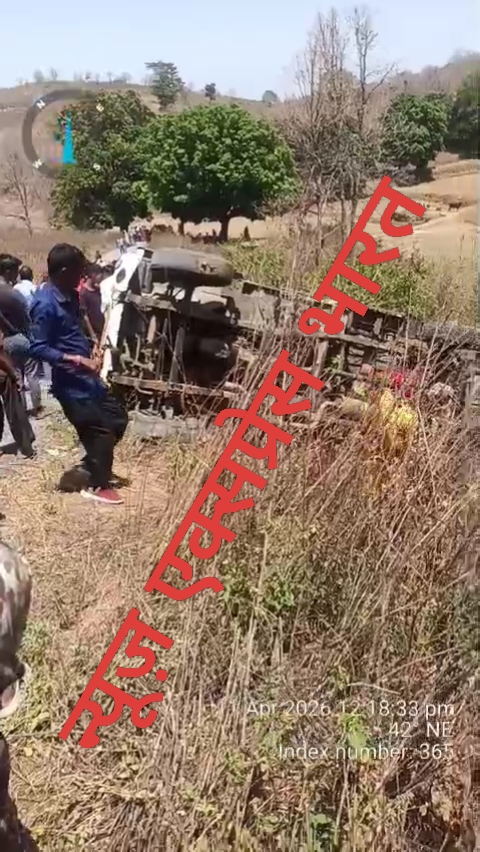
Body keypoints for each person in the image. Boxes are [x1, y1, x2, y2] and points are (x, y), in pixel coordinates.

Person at [29, 244, 128, 505]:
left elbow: (75, 328)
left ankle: (91, 465)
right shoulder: (44, 304)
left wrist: (91, 344)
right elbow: (37, 347)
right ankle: (97, 485)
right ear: (64, 271)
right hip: (70, 384)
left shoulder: (71, 296)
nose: (82, 276)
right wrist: (77, 359)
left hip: (88, 379)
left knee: (117, 418)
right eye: (78, 270)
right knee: (100, 432)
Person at [0, 258, 36, 457]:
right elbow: (27, 320)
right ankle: (26, 442)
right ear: (8, 271)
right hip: (11, 344)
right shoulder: (11, 293)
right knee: (14, 395)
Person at [13, 267, 44, 419]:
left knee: (18, 374)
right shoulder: (36, 289)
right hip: (31, 334)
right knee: (32, 374)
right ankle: (38, 409)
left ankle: (22, 410)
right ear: (31, 276)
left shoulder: (14, 290)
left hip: (13, 334)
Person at [79, 265, 105, 344]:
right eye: (100, 276)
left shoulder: (98, 290)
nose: (101, 279)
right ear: (93, 275)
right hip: (91, 332)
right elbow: (85, 316)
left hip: (100, 330)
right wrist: (92, 334)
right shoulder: (84, 293)